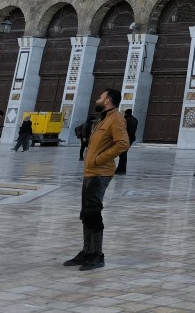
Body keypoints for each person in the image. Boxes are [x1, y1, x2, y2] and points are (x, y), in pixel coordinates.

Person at [62, 88, 129, 271]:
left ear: (107, 100)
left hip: (100, 173)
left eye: (100, 97)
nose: (97, 99)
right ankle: (87, 251)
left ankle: (97, 255)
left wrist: (99, 159)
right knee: (86, 213)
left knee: (93, 213)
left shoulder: (116, 119)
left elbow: (123, 143)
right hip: (90, 172)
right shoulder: (104, 119)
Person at [115, 109, 138, 174]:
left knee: (123, 154)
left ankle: (121, 169)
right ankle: (121, 169)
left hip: (126, 138)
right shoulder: (135, 119)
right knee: (123, 153)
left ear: (126, 113)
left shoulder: (126, 120)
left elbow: (123, 129)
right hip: (131, 138)